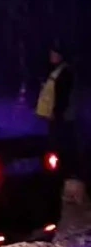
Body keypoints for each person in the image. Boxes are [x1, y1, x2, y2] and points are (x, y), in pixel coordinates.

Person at [36, 43, 77, 187]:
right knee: (54, 142)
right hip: (53, 115)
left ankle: (64, 170)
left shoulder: (64, 73)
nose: (51, 57)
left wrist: (56, 112)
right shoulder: (54, 71)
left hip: (61, 117)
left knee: (61, 143)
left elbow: (63, 96)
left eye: (54, 55)